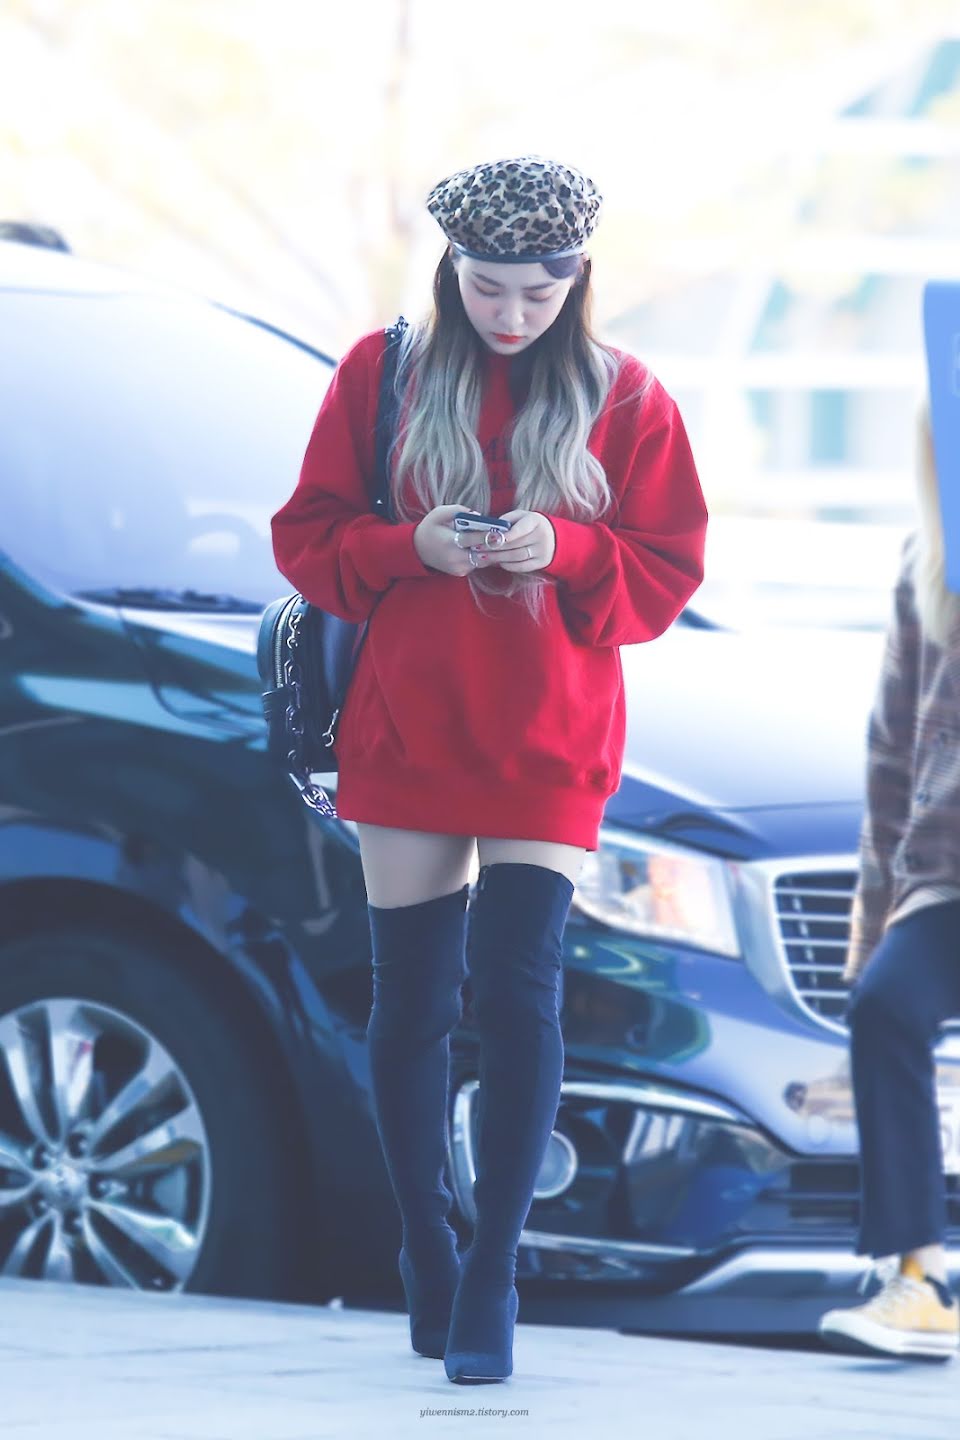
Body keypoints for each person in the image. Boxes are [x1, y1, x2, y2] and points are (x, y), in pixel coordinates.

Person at [270, 154, 708, 1384]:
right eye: (488, 287)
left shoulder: (628, 394)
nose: (512, 314)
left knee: (520, 998)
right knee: (412, 1004)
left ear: (579, 280)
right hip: (408, 725)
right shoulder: (383, 373)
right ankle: (426, 1242)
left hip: (550, 737)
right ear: (449, 270)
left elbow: (665, 573)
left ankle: (493, 1271)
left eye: (538, 292)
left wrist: (561, 547)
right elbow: (306, 539)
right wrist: (411, 543)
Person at [818, 402, 960, 1360]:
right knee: (885, 1006)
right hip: (946, 879)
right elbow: (889, 760)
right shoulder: (927, 564)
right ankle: (921, 1279)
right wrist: (868, 939)